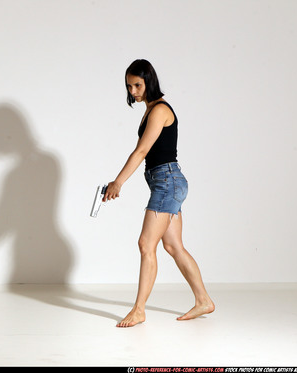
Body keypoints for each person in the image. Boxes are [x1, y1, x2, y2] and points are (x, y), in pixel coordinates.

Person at [103, 59, 215, 328]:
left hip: (168, 181)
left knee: (145, 244)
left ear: (149, 81)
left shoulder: (159, 110)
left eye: (138, 85)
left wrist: (118, 182)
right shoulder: (150, 109)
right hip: (164, 182)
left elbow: (141, 152)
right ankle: (204, 301)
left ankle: (139, 310)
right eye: (129, 86)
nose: (133, 91)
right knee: (173, 246)